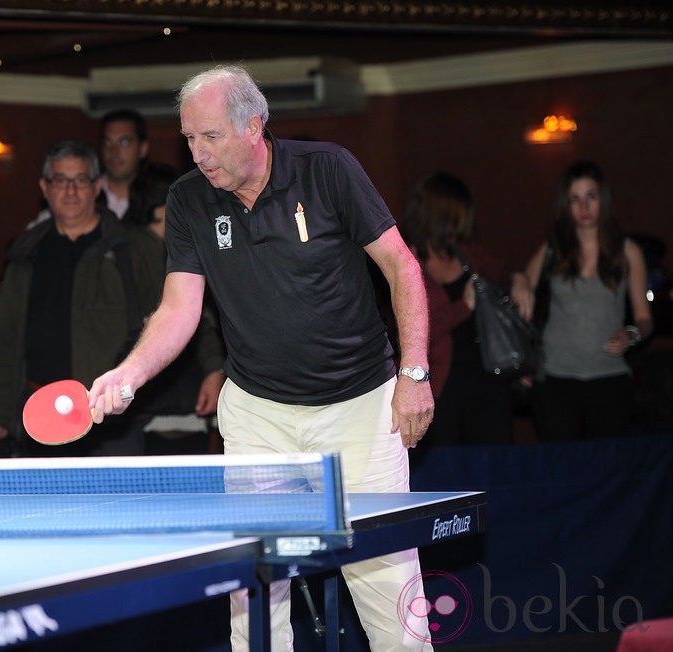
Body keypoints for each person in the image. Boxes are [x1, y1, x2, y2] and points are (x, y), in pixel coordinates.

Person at [87, 66, 435, 651]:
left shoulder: (328, 171)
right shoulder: (189, 200)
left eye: (209, 137)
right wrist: (129, 372)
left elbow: (402, 266)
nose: (197, 153)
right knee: (254, 593)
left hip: (361, 406)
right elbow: (179, 309)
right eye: (188, 138)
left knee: (387, 584)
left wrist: (414, 372)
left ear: (254, 126)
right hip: (259, 415)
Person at [0, 140, 166, 457]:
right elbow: (6, 343)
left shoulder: (133, 249)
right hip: (38, 417)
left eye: (80, 180)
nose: (70, 190)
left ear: (97, 186)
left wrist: (212, 367)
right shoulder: (25, 254)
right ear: (44, 187)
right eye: (60, 180)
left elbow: (169, 315)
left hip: (112, 418)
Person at [516, 160, 652, 441]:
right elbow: (522, 286)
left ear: (602, 198)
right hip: (554, 379)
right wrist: (519, 280)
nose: (584, 206)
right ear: (566, 205)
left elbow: (644, 318)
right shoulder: (554, 248)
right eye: (575, 199)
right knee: (562, 471)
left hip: (609, 378)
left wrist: (631, 334)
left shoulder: (627, 251)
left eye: (590, 196)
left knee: (607, 471)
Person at [399, 172, 527, 445]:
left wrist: (519, 280)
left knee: (494, 466)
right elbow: (416, 328)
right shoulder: (407, 261)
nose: (466, 221)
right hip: (440, 385)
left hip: (488, 377)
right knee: (447, 470)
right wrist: (464, 306)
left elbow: (502, 272)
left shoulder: (466, 252)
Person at [132, 163, 226, 454]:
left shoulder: (182, 245)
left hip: (173, 398)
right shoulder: (139, 250)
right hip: (153, 398)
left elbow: (202, 317)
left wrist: (213, 368)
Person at [26, 108, 153, 229]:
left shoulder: (157, 201)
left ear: (143, 149)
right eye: (108, 142)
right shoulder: (76, 196)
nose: (114, 151)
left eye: (124, 142)